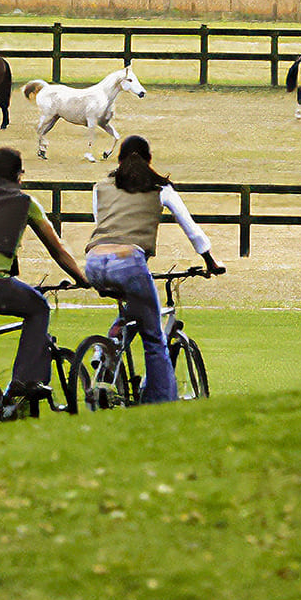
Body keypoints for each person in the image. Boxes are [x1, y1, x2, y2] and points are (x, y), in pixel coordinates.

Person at [0, 146, 90, 406]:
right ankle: (26, 379)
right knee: (38, 308)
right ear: (18, 175)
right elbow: (57, 249)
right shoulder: (25, 203)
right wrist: (82, 278)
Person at [84, 135, 224, 404]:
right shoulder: (160, 188)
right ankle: (159, 405)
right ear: (149, 160)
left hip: (94, 262)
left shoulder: (100, 187)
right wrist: (210, 262)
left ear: (119, 159)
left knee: (132, 309)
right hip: (129, 263)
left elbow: (101, 224)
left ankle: (108, 347)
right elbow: (191, 228)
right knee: (154, 338)